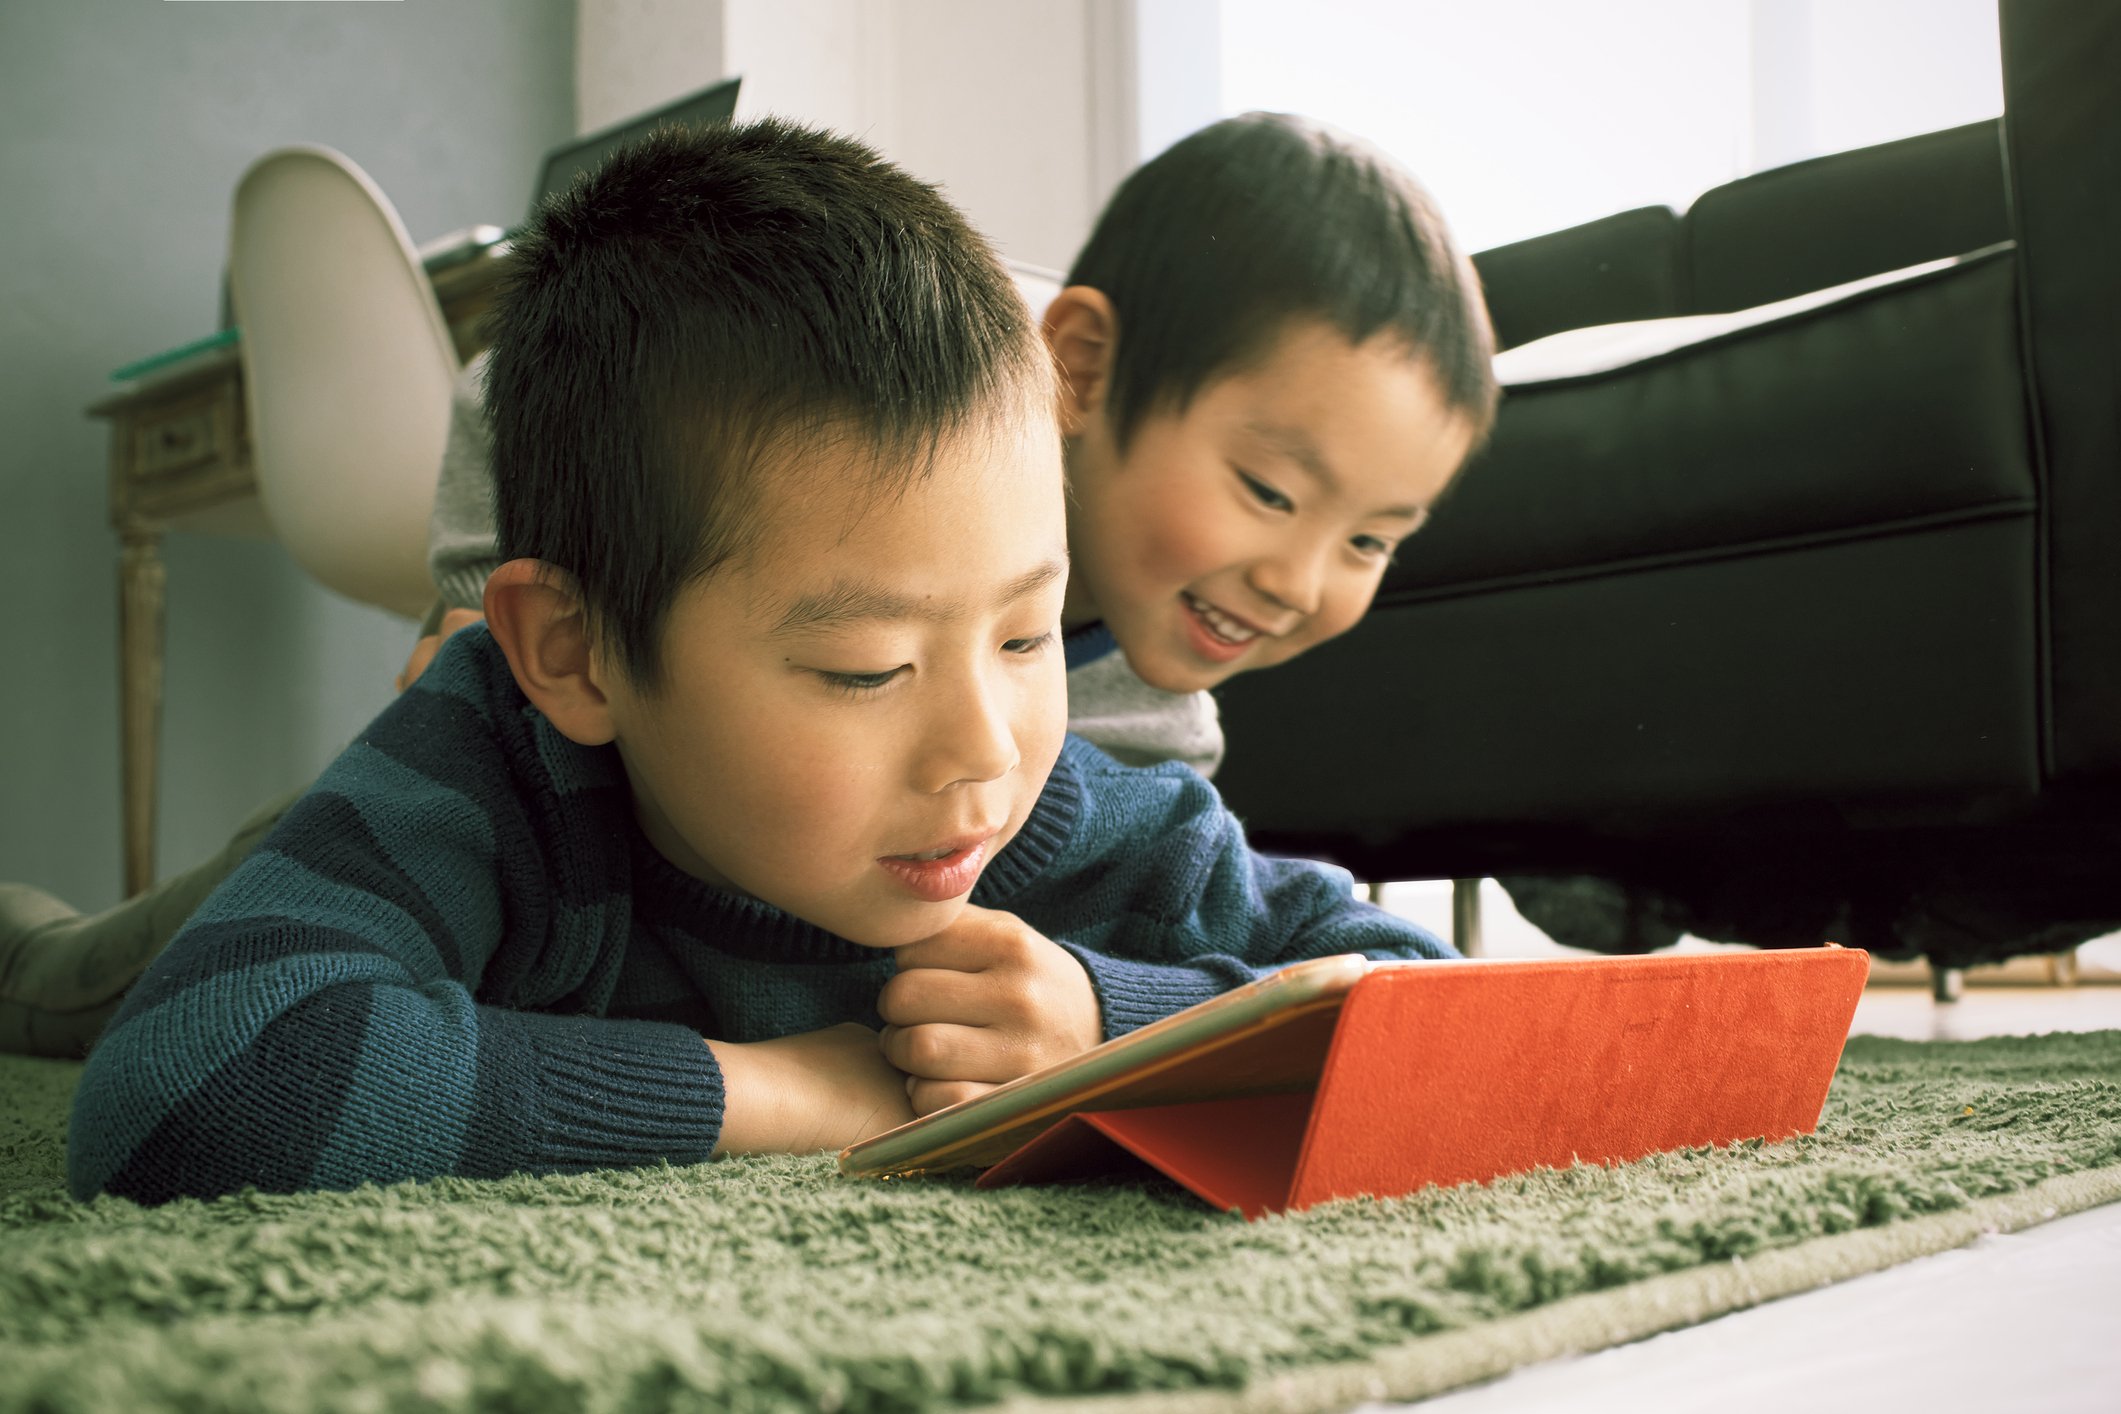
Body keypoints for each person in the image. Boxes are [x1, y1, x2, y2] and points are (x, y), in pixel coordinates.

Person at [64, 118, 1454, 1205]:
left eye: (1027, 634)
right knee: (90, 981)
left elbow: (1431, 1015)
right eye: (864, 668)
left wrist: (1115, 1024)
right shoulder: (497, 764)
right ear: (576, 653)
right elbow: (196, 1082)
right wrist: (785, 1092)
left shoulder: (1075, 818)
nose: (985, 751)